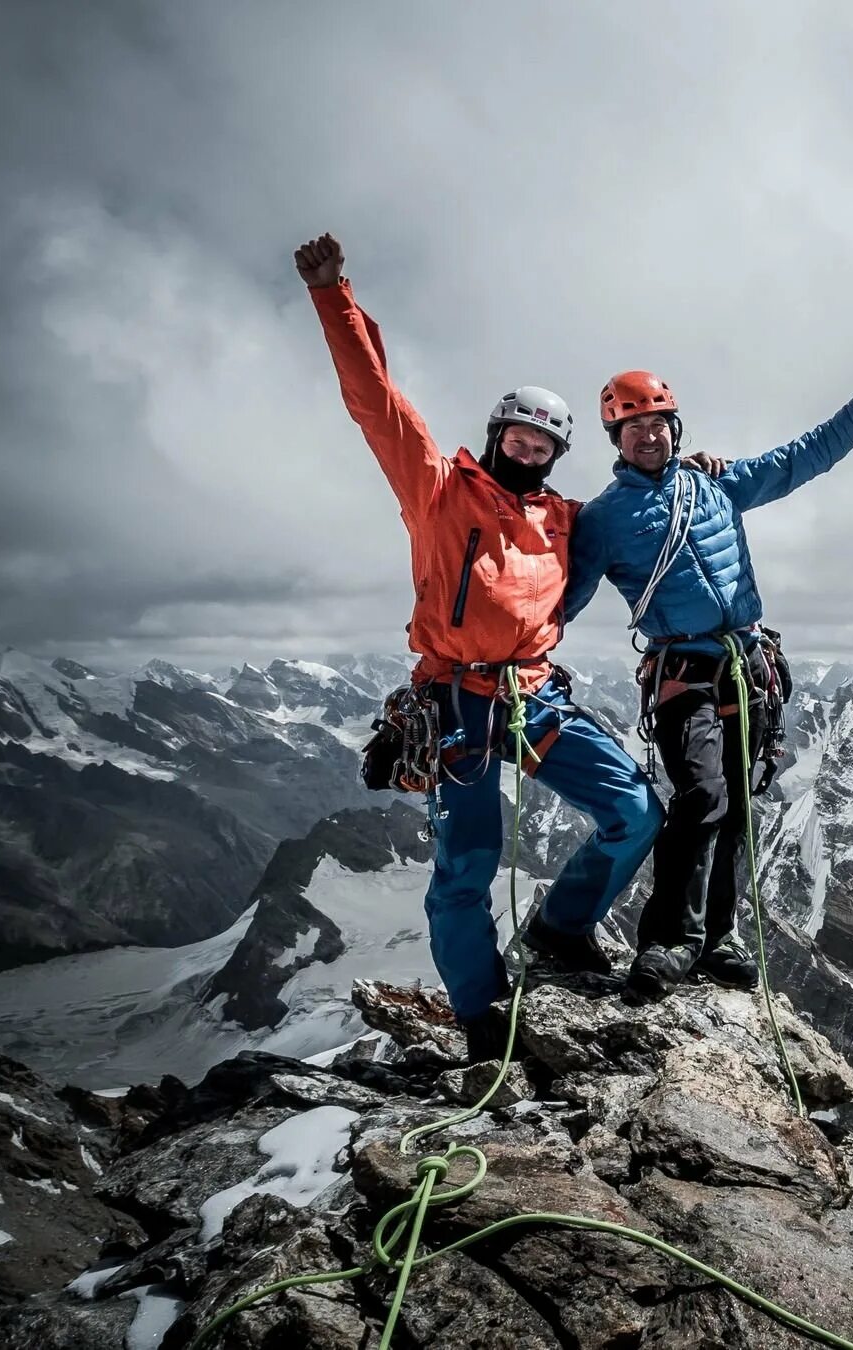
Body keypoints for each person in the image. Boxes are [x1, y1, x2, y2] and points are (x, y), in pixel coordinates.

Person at [292, 232, 665, 1046]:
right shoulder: (438, 492)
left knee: (636, 809)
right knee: (466, 867)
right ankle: (482, 1015)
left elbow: (644, 507)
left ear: (557, 455)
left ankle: (561, 930)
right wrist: (334, 297)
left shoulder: (564, 519)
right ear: (496, 437)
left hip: (532, 694)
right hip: (456, 699)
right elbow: (377, 403)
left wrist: (685, 468)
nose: (528, 455)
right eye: (518, 441)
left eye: (543, 448)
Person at [566, 362, 853, 999]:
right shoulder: (603, 521)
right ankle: (668, 941)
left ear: (675, 428)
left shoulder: (715, 486)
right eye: (632, 429)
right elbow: (564, 598)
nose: (647, 437)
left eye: (656, 424)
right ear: (617, 443)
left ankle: (716, 937)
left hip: (745, 666)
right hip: (682, 671)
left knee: (737, 804)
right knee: (701, 795)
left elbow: (800, 459)